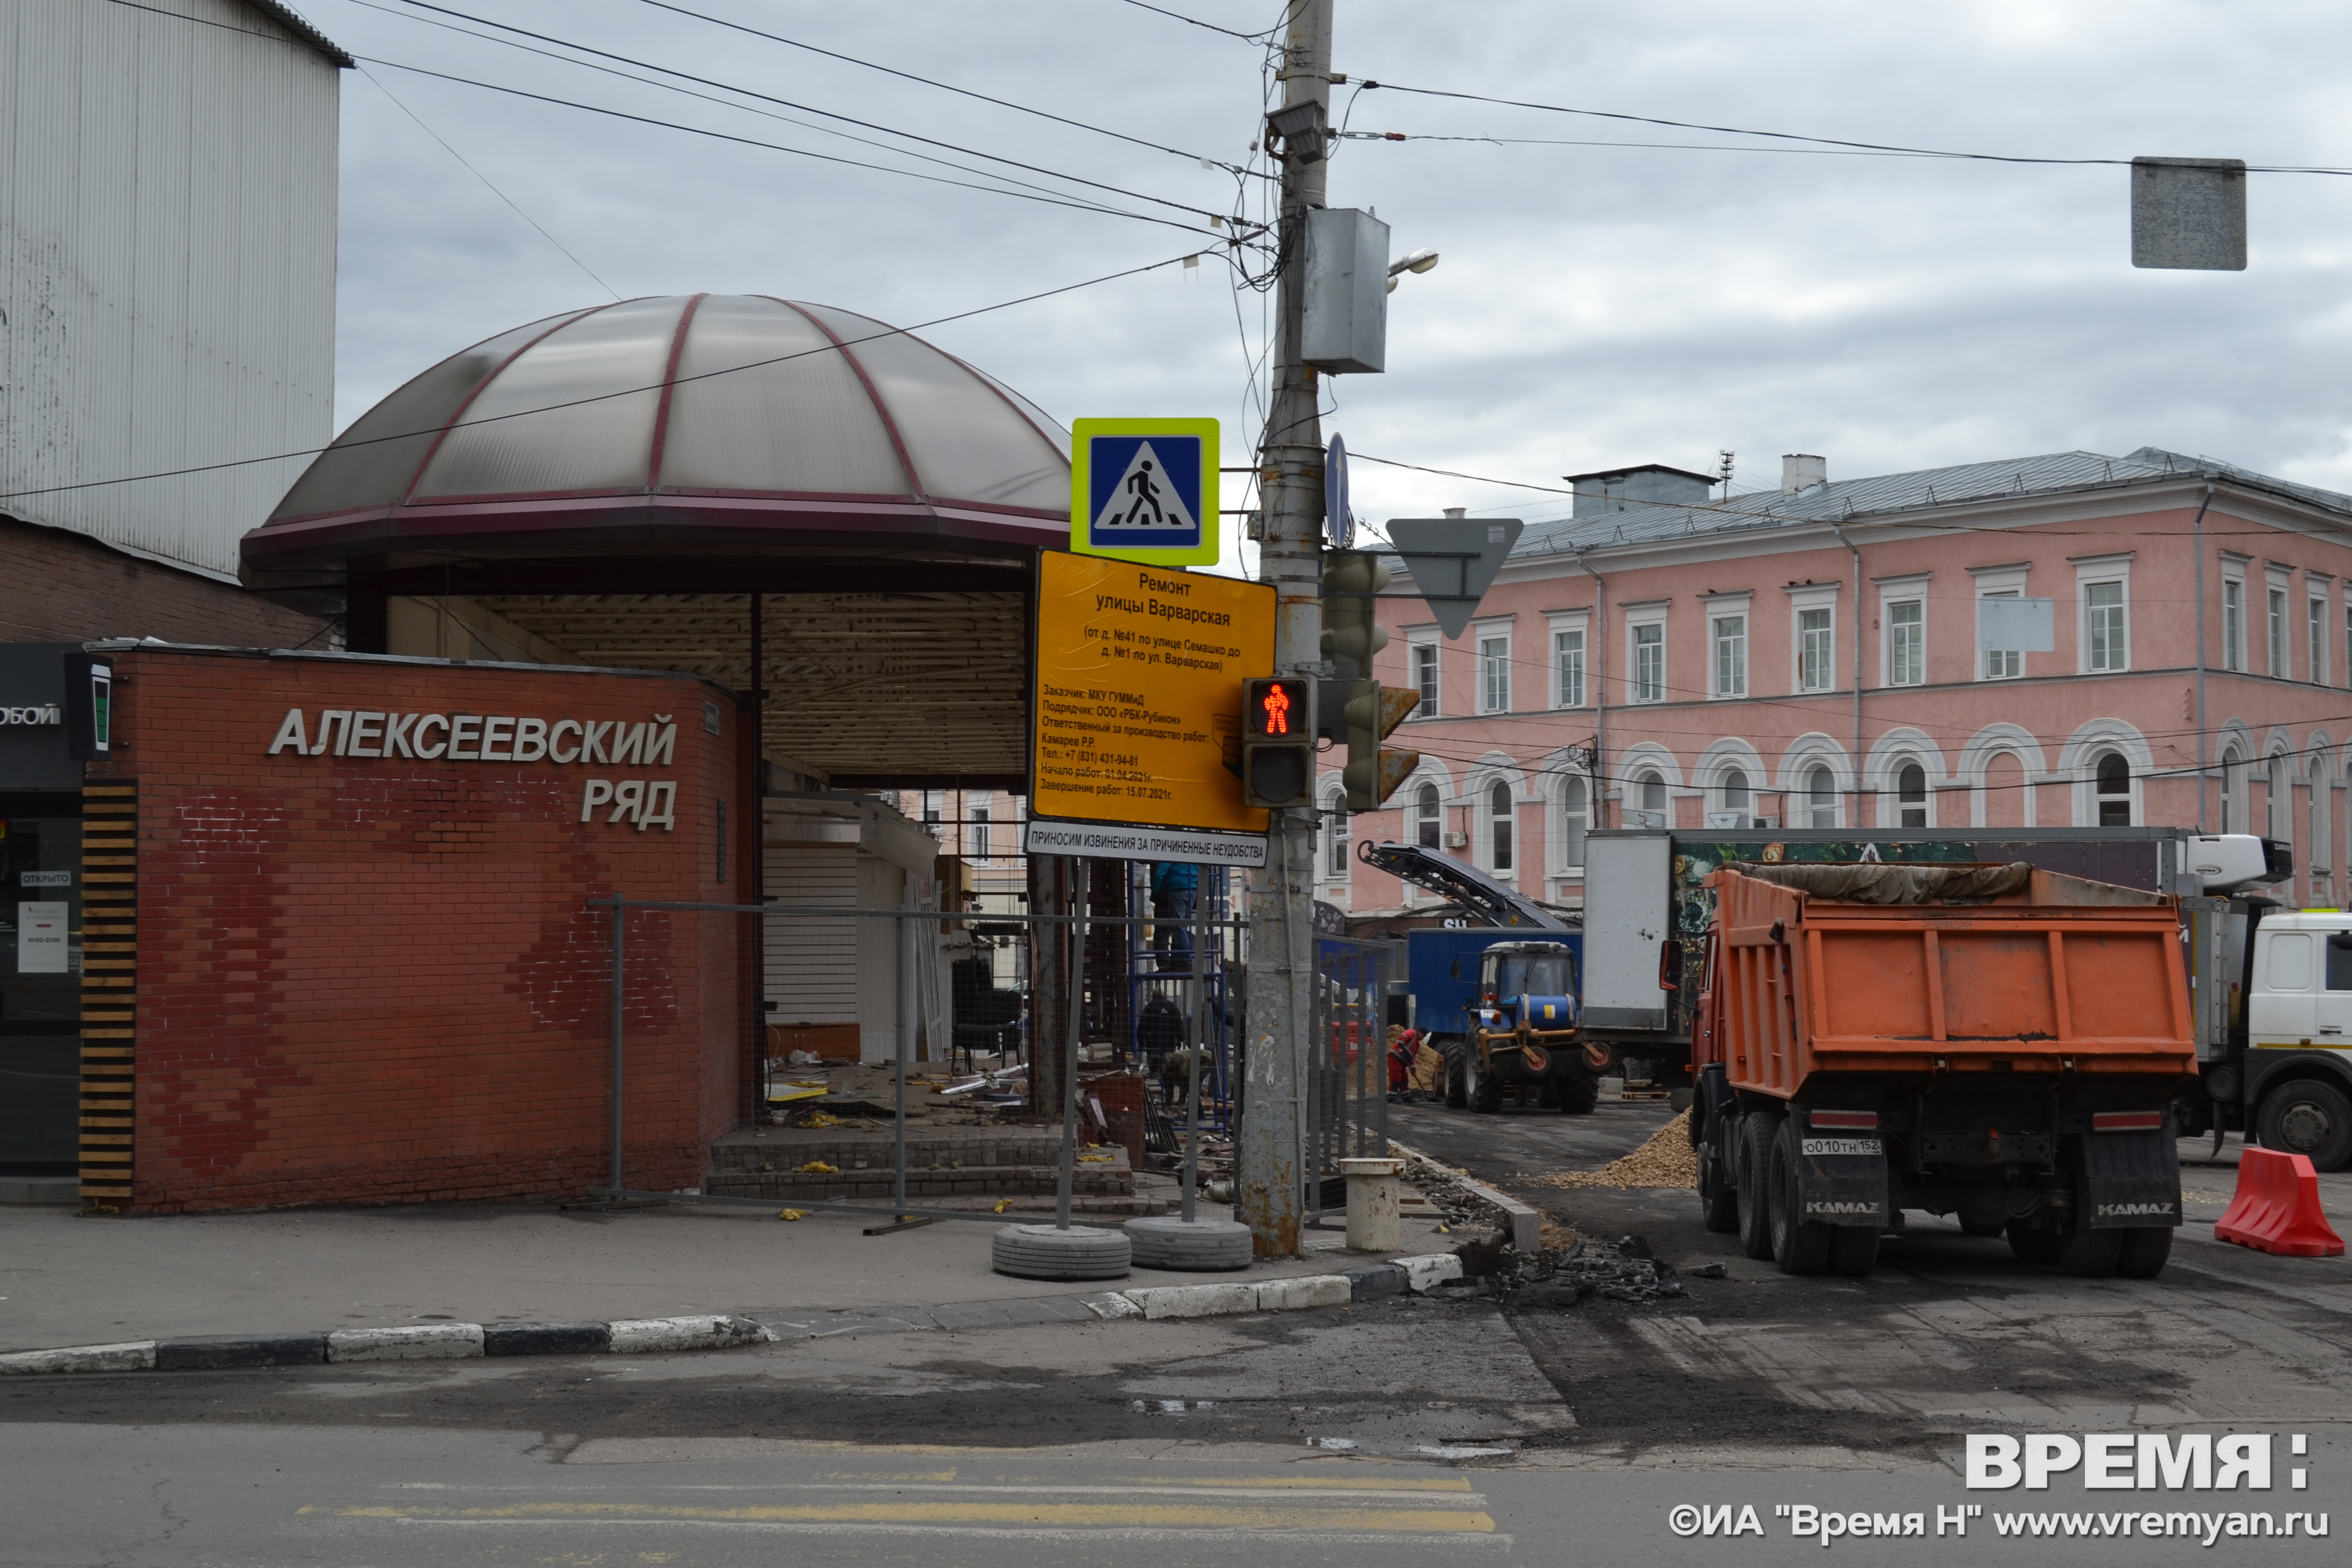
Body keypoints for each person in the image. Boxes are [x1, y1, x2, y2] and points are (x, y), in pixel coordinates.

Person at [1150, 860, 1197, 971]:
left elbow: (1161, 871)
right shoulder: (1192, 851)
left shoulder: (1171, 852)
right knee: (1183, 927)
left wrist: (1155, 891)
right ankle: (1180, 962)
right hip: (1191, 890)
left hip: (1177, 889)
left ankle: (1186, 962)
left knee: (1178, 928)